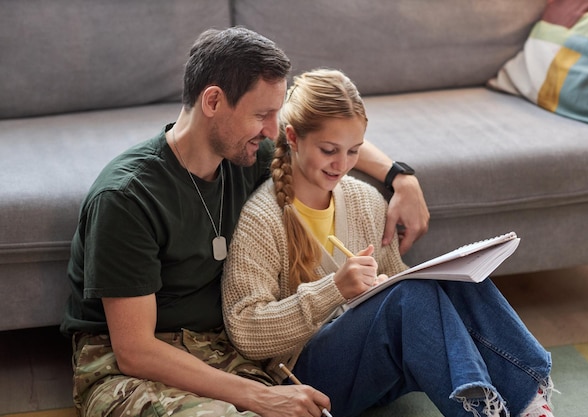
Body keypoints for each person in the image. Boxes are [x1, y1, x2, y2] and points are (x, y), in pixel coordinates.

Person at [60, 27, 429, 417]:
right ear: (214, 101)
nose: (273, 130)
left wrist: (401, 178)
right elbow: (135, 351)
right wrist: (260, 397)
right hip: (130, 367)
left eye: (276, 114)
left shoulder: (244, 155)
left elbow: (321, 134)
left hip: (221, 349)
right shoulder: (127, 197)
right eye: (262, 115)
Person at [221, 68, 556, 417]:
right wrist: (335, 288)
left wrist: (384, 287)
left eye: (353, 151)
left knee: (457, 279)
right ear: (292, 137)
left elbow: (403, 287)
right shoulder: (263, 218)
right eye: (329, 150)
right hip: (302, 378)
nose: (342, 164)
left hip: (375, 367)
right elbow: (245, 330)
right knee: (409, 296)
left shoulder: (365, 201)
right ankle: (484, 412)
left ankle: (530, 402)